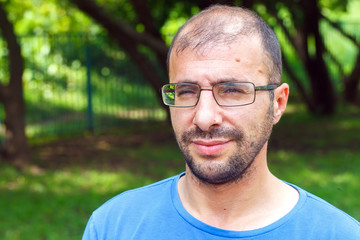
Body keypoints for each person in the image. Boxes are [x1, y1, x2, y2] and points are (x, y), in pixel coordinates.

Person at [82, 5, 360, 239]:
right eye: (187, 91)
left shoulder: (337, 234)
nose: (204, 118)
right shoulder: (113, 226)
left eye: (231, 91)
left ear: (278, 103)